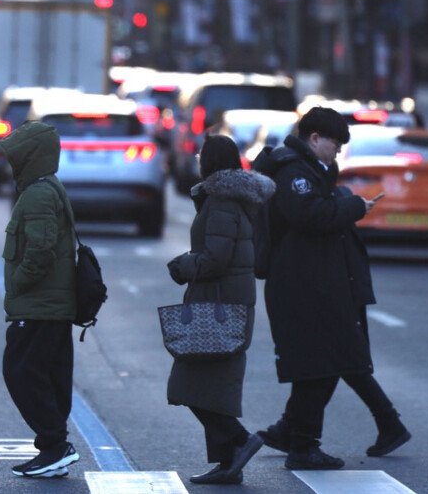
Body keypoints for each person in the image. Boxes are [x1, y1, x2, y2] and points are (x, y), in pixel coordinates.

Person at [252, 107, 410, 470]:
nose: (338, 151)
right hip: (302, 284)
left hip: (316, 281)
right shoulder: (294, 172)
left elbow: (319, 211)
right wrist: (352, 206)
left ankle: (294, 432)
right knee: (323, 361)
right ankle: (303, 444)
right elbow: (310, 216)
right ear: (315, 139)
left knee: (327, 359)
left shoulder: (311, 170)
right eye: (335, 143)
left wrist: (345, 203)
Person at [166, 135, 273, 485]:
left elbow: (215, 259)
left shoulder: (223, 202)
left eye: (200, 155)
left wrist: (183, 266)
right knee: (214, 386)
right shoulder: (229, 198)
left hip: (219, 303)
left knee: (189, 385)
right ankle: (228, 463)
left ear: (208, 162)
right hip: (226, 301)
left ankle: (240, 441)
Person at [0, 121, 79, 479]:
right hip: (49, 305)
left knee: (21, 371)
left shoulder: (38, 194)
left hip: (40, 304)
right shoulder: (44, 188)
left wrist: (18, 283)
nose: (9, 162)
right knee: (48, 372)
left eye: (15, 156)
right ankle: (52, 448)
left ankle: (54, 444)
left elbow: (40, 250)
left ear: (29, 157)